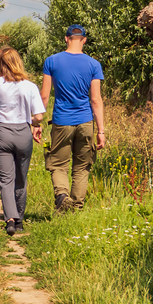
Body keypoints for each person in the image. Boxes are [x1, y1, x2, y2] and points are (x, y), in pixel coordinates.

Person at [40, 24, 105, 212]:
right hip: (85, 121)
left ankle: (62, 195)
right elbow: (96, 99)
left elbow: (44, 95)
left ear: (66, 39)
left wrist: (37, 121)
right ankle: (76, 207)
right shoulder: (93, 64)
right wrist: (101, 130)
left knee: (59, 165)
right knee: (82, 166)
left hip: (62, 121)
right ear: (84, 40)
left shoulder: (51, 61)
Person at [0, 46, 44, 234]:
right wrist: (30, 121)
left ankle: (9, 219)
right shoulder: (30, 86)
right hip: (23, 132)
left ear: (1, 64)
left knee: (5, 179)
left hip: (3, 132)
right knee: (20, 179)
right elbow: (39, 117)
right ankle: (20, 220)